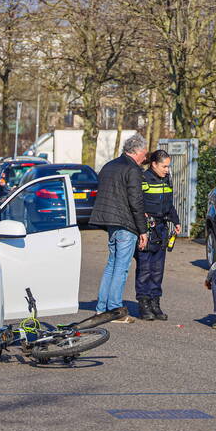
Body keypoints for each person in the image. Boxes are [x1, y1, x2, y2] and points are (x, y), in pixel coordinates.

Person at [90, 133, 149, 323]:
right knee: (121, 268)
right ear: (137, 151)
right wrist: (143, 230)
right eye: (144, 154)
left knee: (111, 265)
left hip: (110, 223)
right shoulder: (132, 170)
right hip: (126, 224)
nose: (146, 158)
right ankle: (115, 310)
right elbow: (136, 202)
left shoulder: (109, 165)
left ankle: (101, 308)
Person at [135, 149, 181, 321]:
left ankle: (155, 303)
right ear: (154, 164)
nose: (167, 170)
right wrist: (142, 228)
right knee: (145, 269)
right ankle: (144, 304)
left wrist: (175, 221)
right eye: (164, 166)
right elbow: (137, 205)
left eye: (168, 167)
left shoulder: (167, 179)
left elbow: (169, 204)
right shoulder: (143, 179)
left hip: (161, 228)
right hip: (147, 229)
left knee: (157, 270)